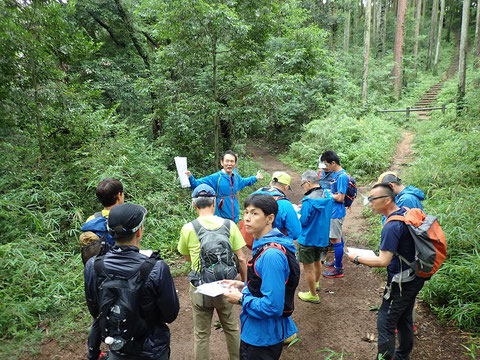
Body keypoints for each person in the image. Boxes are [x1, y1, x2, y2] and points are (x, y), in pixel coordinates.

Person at [84, 203, 179, 360]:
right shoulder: (156, 268)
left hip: (117, 348)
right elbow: (170, 315)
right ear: (139, 231)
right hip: (152, 350)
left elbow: (95, 310)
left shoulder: (93, 265)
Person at [347, 184, 425, 360]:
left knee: (386, 322)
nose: (369, 203)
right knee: (404, 317)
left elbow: (383, 261)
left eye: (372, 199)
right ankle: (403, 355)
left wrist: (357, 258)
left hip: (402, 283)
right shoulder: (404, 212)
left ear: (387, 200)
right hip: (414, 277)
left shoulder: (391, 226)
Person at [223, 193, 299, 360]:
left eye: (255, 213)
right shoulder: (266, 246)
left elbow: (273, 306)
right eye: (246, 212)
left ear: (269, 218)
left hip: (262, 337)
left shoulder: (271, 255)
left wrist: (240, 299)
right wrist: (244, 286)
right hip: (259, 331)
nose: (248, 218)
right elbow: (265, 284)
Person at [177, 184, 247, 360]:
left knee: (201, 334)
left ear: (194, 205)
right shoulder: (229, 225)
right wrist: (244, 285)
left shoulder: (188, 228)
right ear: (214, 202)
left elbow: (187, 258)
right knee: (231, 329)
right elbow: (242, 259)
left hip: (201, 289)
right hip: (226, 288)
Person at [82, 178, 124, 360]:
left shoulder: (92, 219)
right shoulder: (123, 216)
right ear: (119, 196)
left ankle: (93, 353)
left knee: (99, 314)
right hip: (118, 273)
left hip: (95, 273)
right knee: (121, 311)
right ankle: (119, 350)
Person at [186, 150, 263, 223]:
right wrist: (190, 177)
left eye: (232, 161)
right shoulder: (216, 177)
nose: (229, 164)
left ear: (235, 163)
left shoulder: (236, 177)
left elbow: (245, 181)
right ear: (222, 162)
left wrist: (256, 177)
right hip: (221, 217)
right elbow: (197, 185)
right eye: (227, 161)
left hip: (234, 216)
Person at [297, 170, 333, 304]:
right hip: (321, 237)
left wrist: (299, 212)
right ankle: (316, 284)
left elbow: (304, 221)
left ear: (308, 182)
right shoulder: (327, 195)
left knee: (307, 268)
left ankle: (312, 294)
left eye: (303, 184)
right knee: (318, 261)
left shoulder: (308, 200)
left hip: (307, 238)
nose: (303, 187)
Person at [320, 150, 349, 278]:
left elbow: (341, 197)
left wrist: (329, 195)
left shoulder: (342, 176)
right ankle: (337, 262)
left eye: (327, 164)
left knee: (335, 239)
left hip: (336, 212)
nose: (326, 167)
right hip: (333, 211)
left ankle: (338, 269)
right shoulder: (335, 174)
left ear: (333, 163)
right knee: (337, 237)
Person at [253, 171, 301, 241]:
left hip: (257, 243)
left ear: (271, 183)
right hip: (276, 245)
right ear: (286, 187)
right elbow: (295, 233)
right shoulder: (285, 204)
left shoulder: (253, 196)